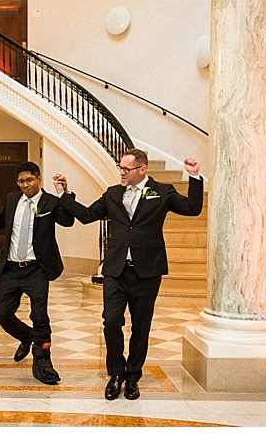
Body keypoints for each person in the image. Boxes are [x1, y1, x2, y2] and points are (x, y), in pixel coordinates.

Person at [53, 149, 203, 400]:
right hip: (115, 270)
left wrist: (195, 177)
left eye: (126, 168)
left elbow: (192, 208)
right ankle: (116, 374)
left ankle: (133, 376)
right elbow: (88, 215)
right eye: (120, 167)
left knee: (141, 326)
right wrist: (63, 194)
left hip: (147, 271)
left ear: (142, 169)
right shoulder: (113, 193)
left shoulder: (162, 191)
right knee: (111, 321)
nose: (121, 172)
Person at [0, 161, 75, 385]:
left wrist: (65, 194)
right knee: (3, 314)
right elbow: (2, 223)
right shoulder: (13, 199)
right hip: (11, 268)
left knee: (39, 316)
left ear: (39, 179)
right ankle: (27, 337)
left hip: (36, 269)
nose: (25, 185)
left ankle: (43, 363)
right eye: (21, 181)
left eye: (29, 180)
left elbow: (68, 221)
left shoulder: (50, 201)